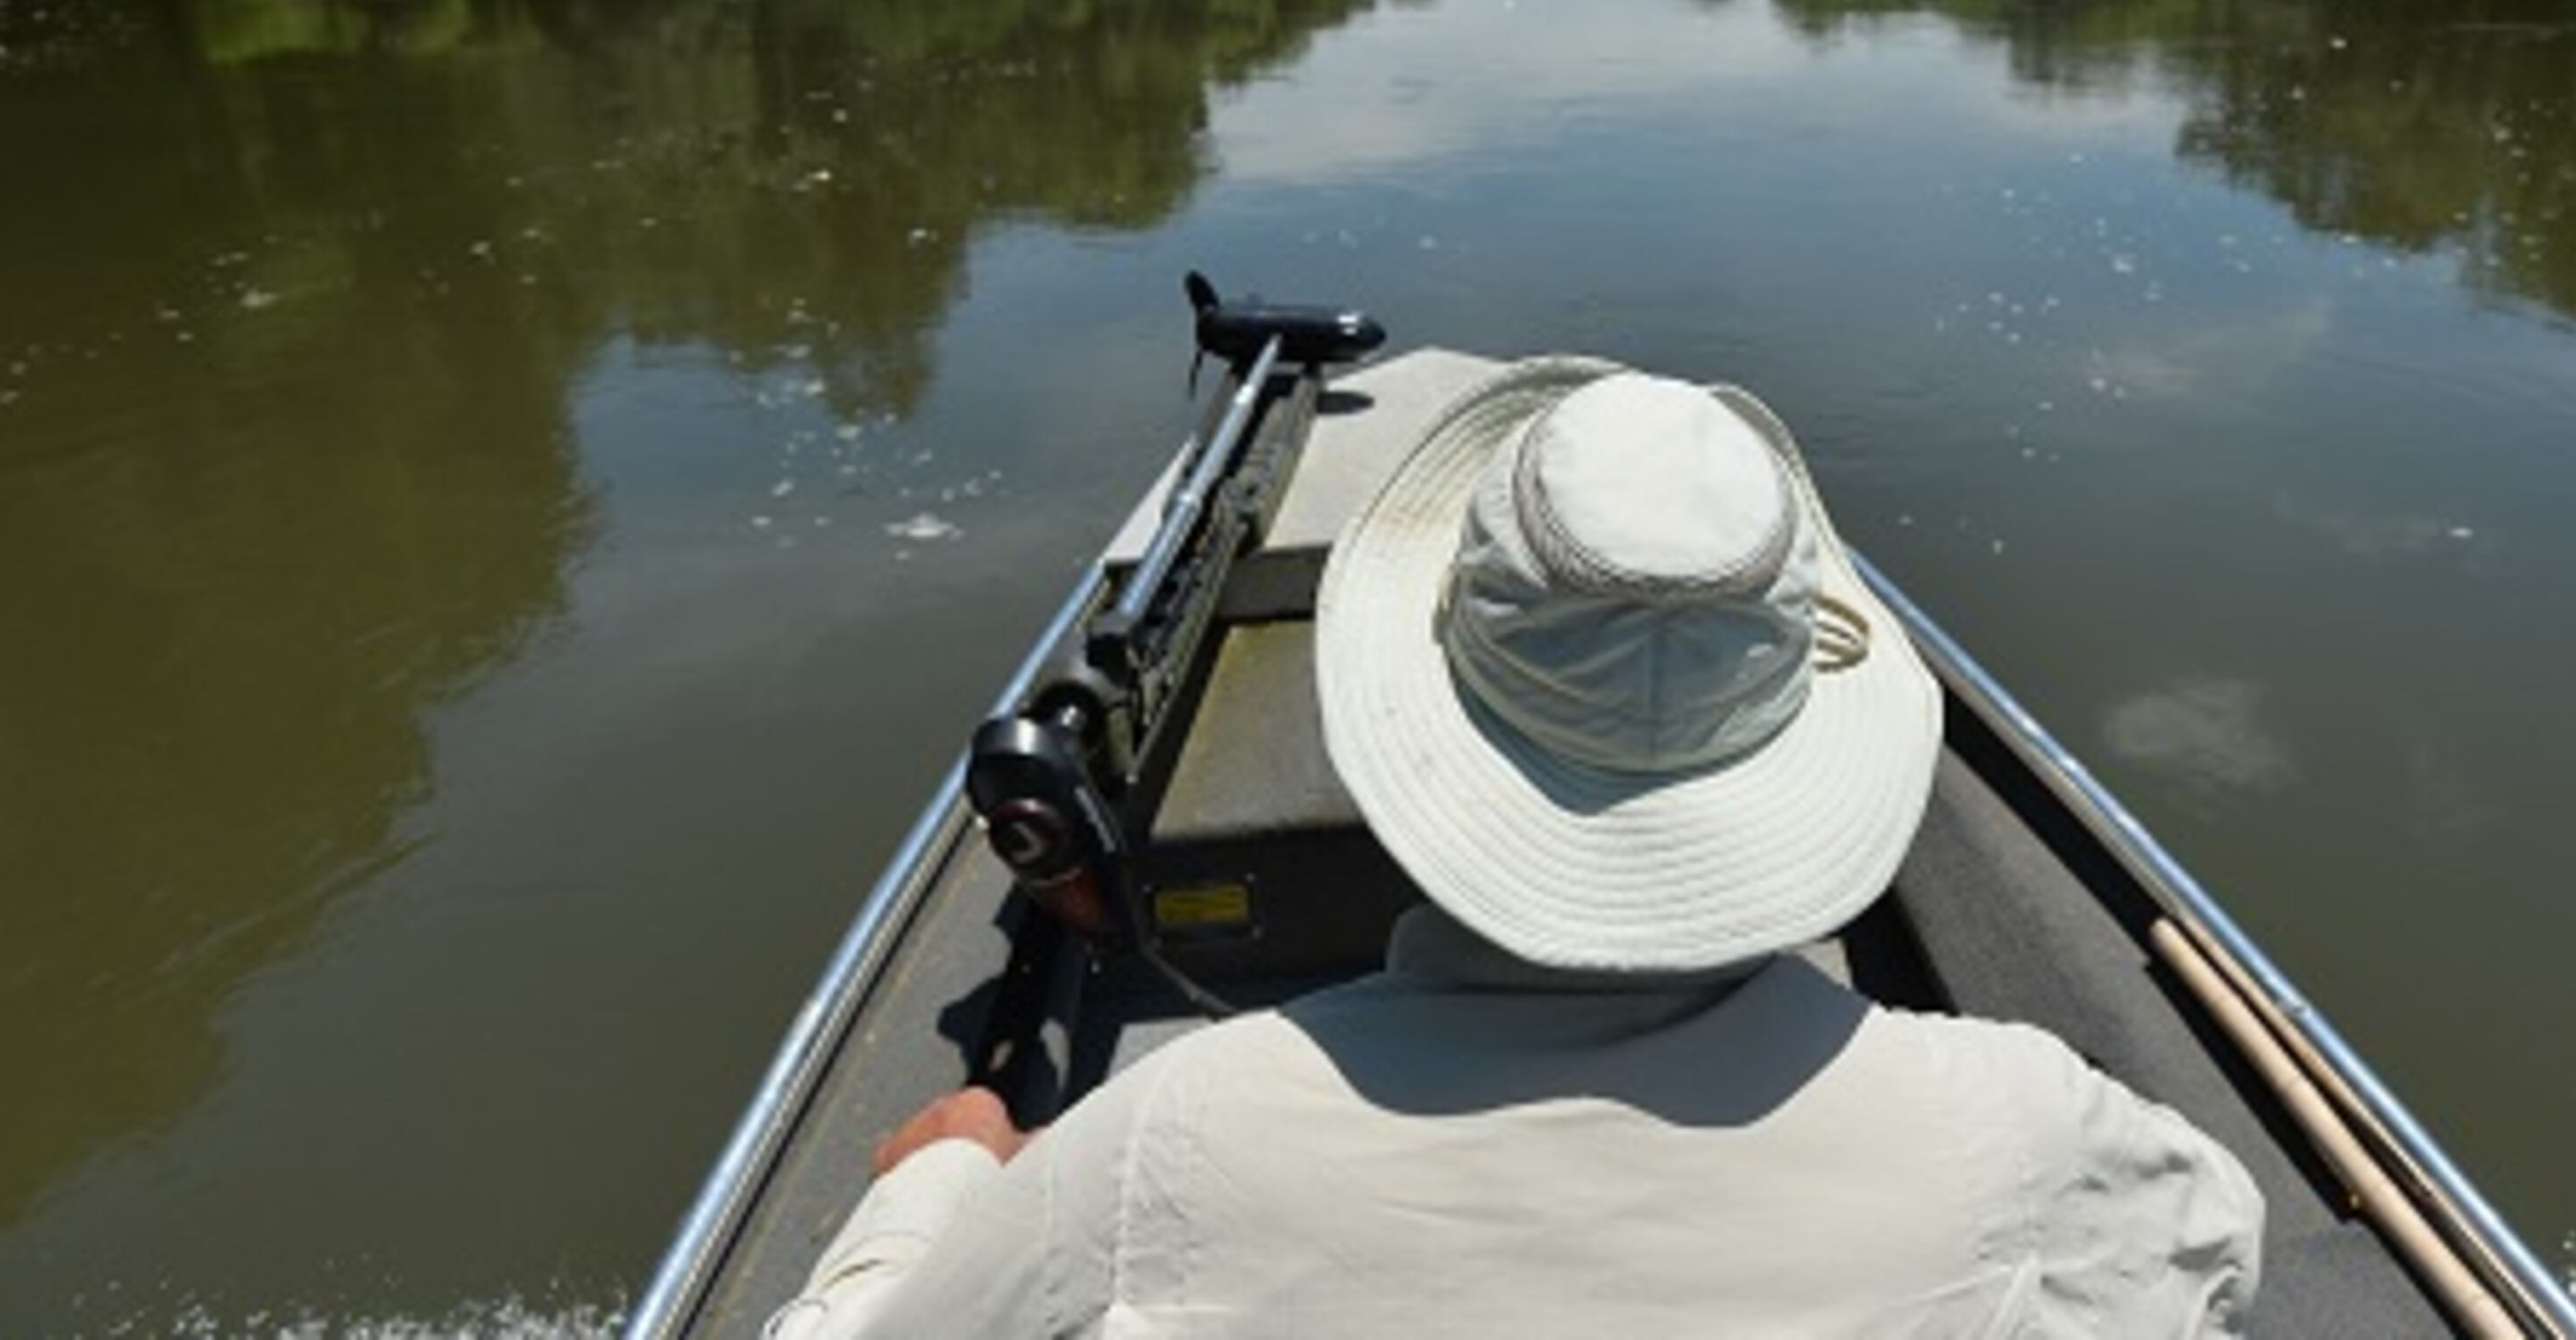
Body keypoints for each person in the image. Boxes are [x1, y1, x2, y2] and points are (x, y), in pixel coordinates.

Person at [770, 359, 2264, 1337]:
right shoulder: (2016, 1124)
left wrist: (942, 1181)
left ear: (1424, 707)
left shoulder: (1168, 1145)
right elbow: (2215, 1254)